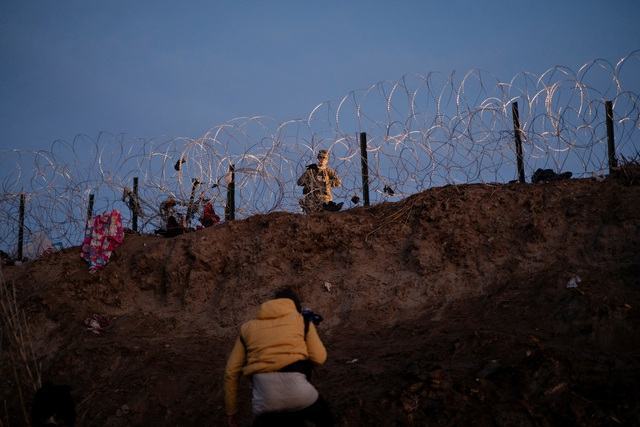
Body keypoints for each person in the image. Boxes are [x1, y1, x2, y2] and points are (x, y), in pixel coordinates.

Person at [224, 288, 333, 427]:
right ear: (295, 306)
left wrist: (231, 412)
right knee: (326, 419)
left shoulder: (247, 328)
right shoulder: (303, 321)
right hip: (300, 395)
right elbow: (319, 358)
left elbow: (231, 372)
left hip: (265, 403)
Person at [297, 150, 342, 214]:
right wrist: (310, 180)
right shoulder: (311, 170)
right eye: (320, 157)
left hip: (325, 199)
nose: (322, 159)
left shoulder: (328, 171)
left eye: (324, 158)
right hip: (312, 199)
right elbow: (299, 182)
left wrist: (326, 183)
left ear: (327, 160)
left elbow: (338, 182)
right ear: (318, 158)